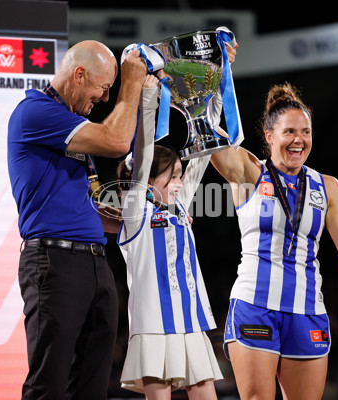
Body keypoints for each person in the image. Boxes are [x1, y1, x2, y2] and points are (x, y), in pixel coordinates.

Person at [209, 82, 338, 400]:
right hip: (255, 306)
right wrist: (211, 79)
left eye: (306, 131)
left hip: (307, 310)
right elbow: (207, 137)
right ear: (269, 136)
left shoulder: (327, 187)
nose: (299, 139)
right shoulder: (248, 171)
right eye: (289, 132)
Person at [7, 40, 148, 399]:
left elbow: (91, 207)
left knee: (91, 387)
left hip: (95, 264)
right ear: (80, 74)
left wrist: (153, 221)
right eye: (103, 88)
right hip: (55, 264)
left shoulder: (69, 127)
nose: (103, 100)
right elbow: (117, 140)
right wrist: (130, 81)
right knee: (49, 385)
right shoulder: (34, 112)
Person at [114, 71, 224, 399]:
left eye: (179, 176)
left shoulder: (178, 209)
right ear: (147, 182)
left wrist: (216, 91)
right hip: (152, 326)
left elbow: (201, 155)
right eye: (171, 177)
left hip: (190, 322)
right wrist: (148, 99)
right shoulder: (135, 213)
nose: (179, 183)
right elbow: (144, 149)